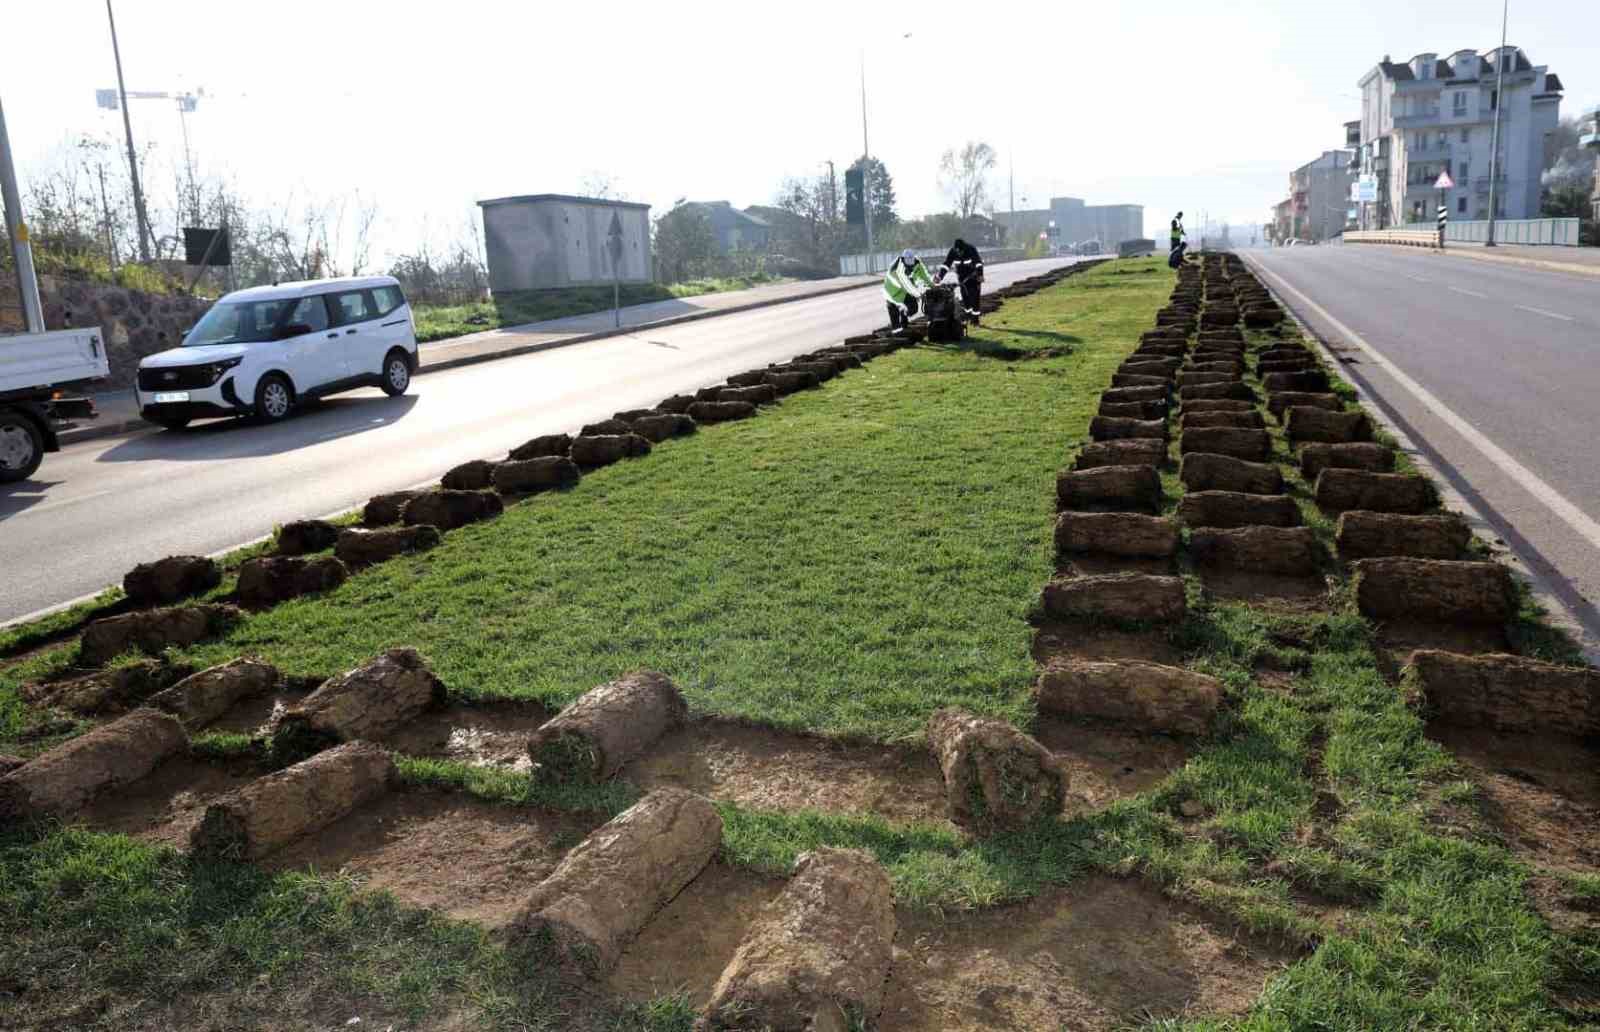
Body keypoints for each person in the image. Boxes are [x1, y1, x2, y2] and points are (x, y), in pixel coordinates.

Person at [883, 248, 934, 333]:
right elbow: (903, 284)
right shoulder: (895, 269)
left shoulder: (917, 263)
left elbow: (924, 275)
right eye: (908, 266)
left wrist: (932, 286)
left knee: (913, 308)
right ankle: (897, 332)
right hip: (892, 293)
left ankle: (904, 319)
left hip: (905, 291)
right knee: (895, 317)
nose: (910, 268)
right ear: (903, 260)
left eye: (911, 266)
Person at [938, 237, 985, 324]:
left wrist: (980, 275)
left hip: (973, 277)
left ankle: (975, 319)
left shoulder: (971, 249)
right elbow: (946, 264)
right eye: (957, 252)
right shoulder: (953, 251)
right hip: (962, 278)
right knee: (965, 298)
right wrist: (940, 276)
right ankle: (968, 315)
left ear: (964, 248)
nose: (959, 253)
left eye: (961, 252)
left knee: (974, 298)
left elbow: (978, 263)